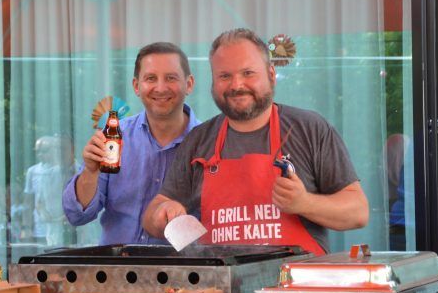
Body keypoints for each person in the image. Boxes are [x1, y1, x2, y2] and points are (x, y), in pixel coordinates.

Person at [142, 29, 368, 254]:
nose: (236, 85)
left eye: (248, 73)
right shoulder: (198, 140)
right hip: (223, 277)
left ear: (271, 74)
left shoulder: (310, 129)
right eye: (224, 76)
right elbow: (152, 217)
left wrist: (304, 203)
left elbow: (358, 212)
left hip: (295, 277)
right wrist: (164, 212)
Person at [63, 42, 200, 245]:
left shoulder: (209, 144)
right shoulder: (114, 137)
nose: (160, 88)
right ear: (136, 86)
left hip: (182, 264)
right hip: (115, 263)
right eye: (151, 78)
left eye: (171, 78)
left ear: (189, 84)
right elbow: (76, 216)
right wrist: (90, 172)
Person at [24, 136, 67, 247]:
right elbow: (28, 202)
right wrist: (26, 227)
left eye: (44, 151)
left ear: (55, 149)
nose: (40, 154)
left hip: (63, 226)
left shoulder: (65, 170)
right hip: (40, 227)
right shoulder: (32, 171)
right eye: (37, 151)